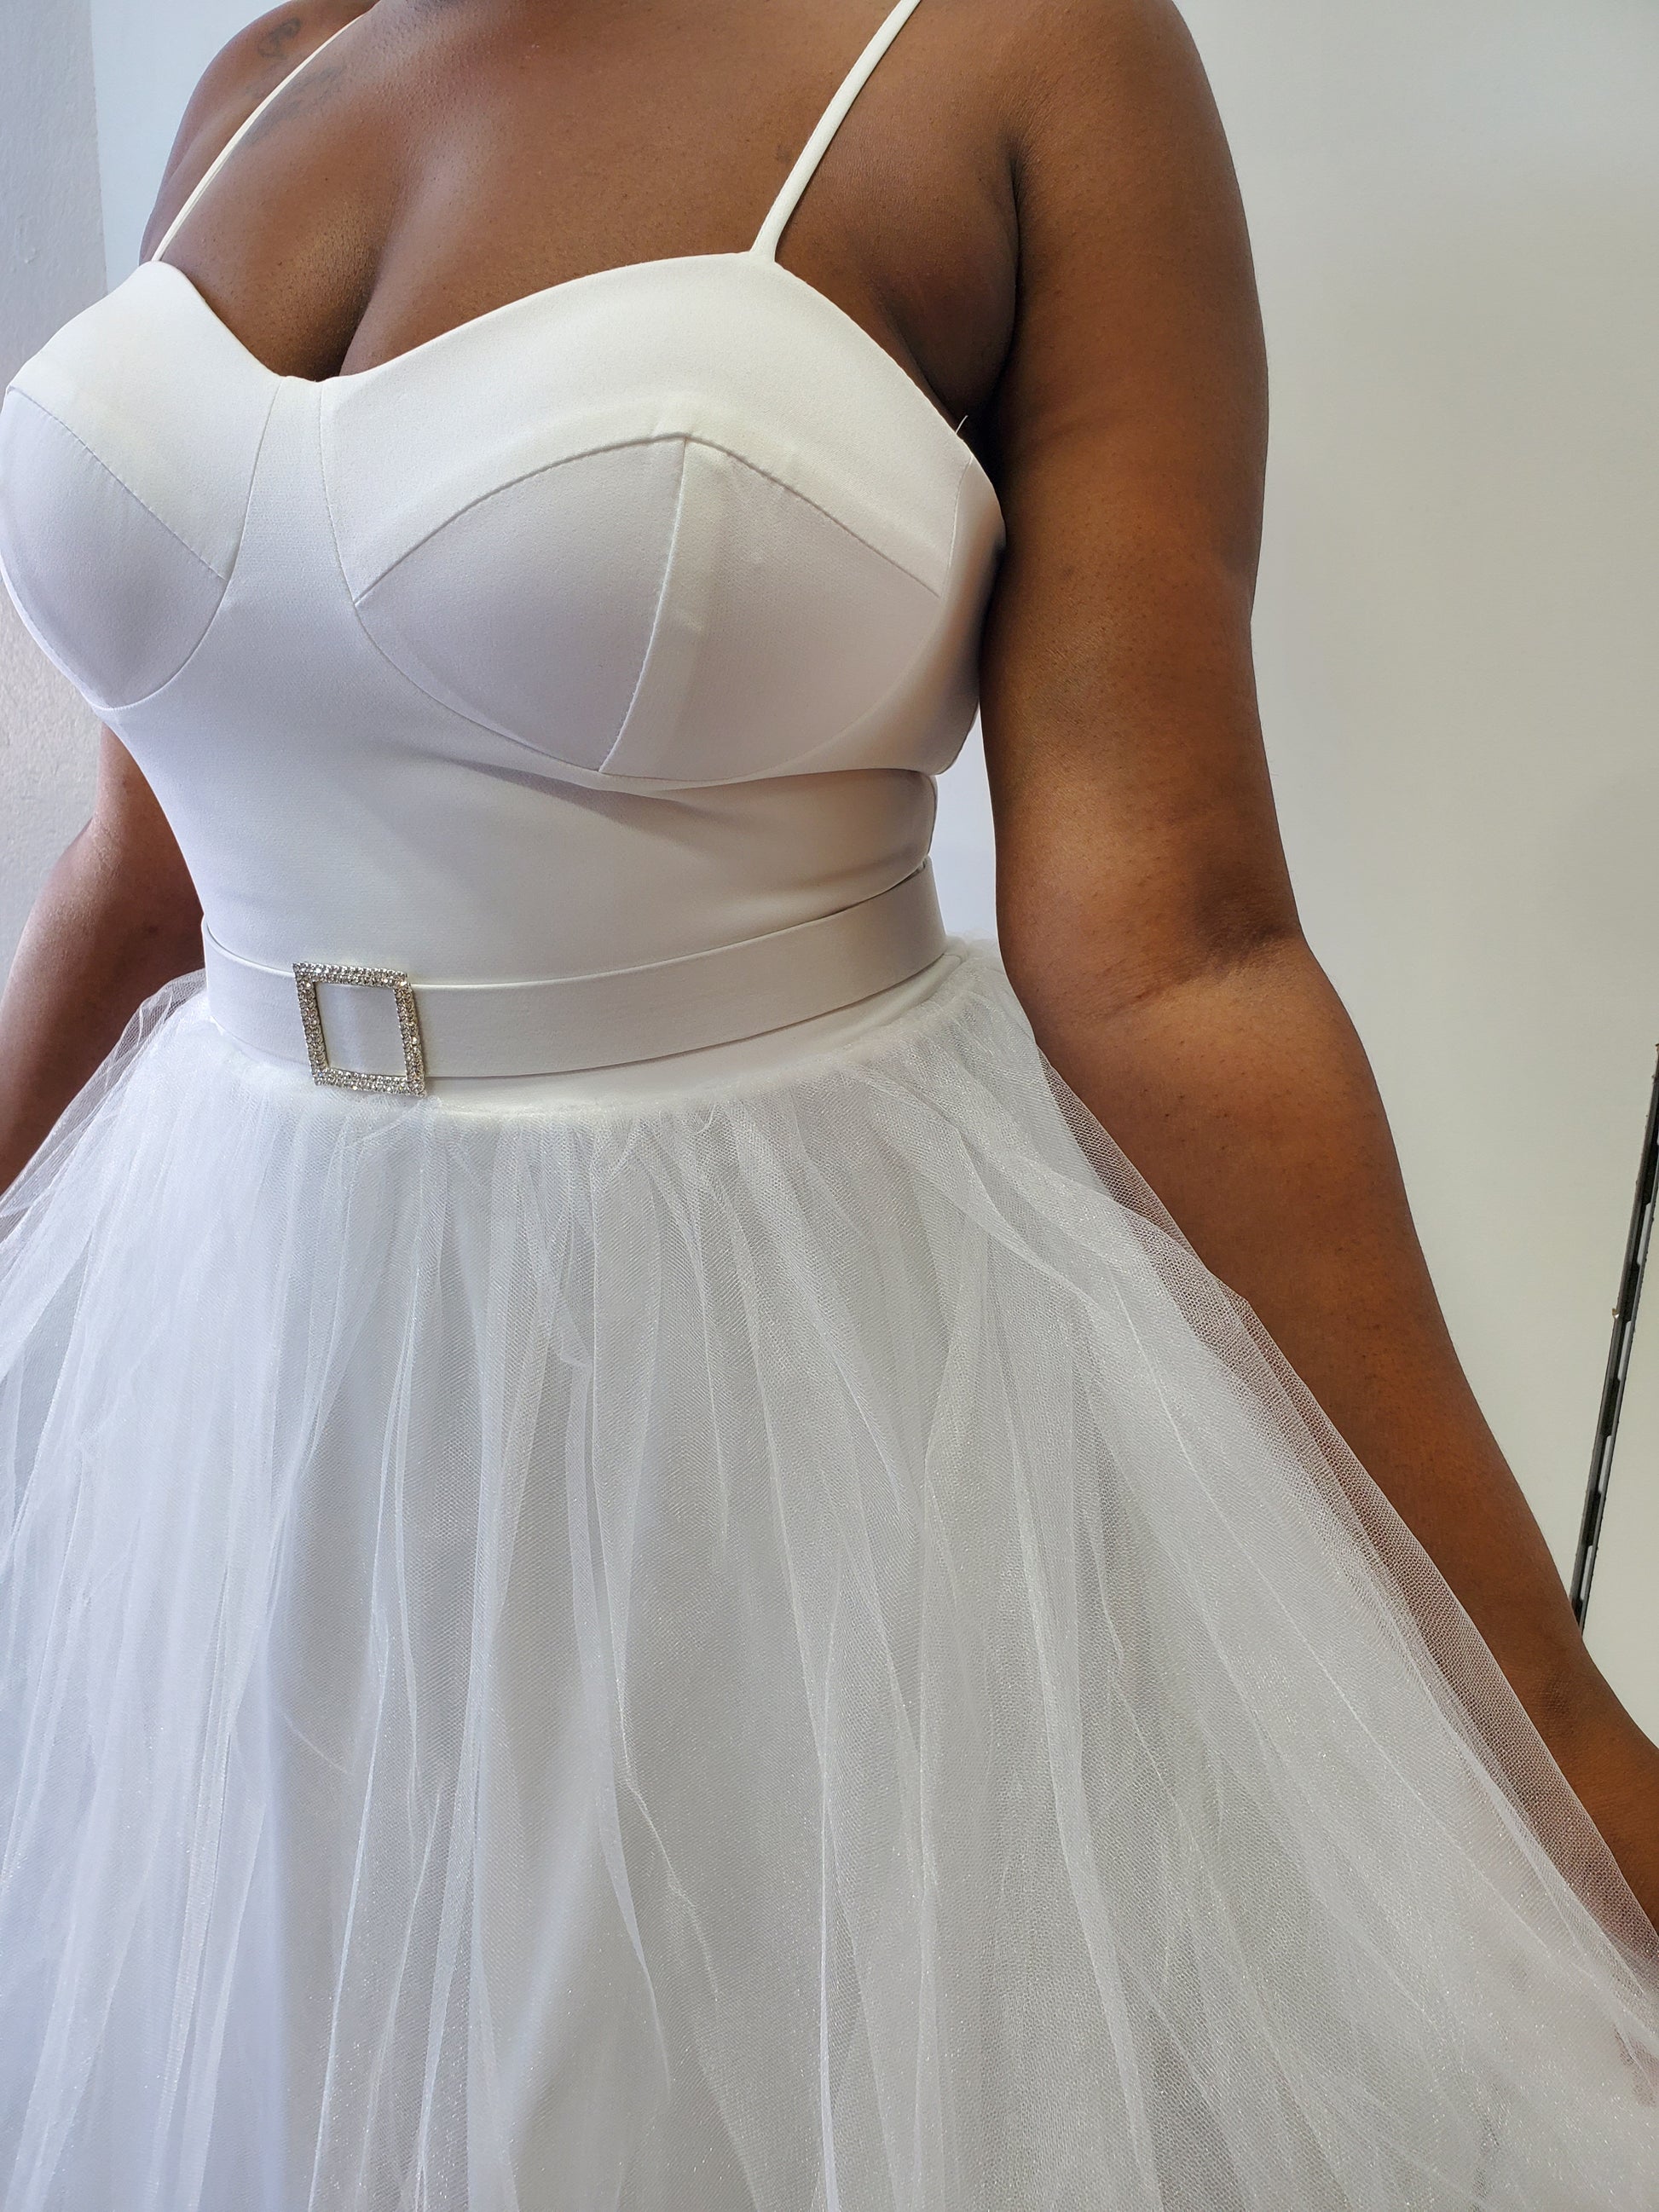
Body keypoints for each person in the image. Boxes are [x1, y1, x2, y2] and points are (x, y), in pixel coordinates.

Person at [2, 1, 1656, 2203]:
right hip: (232, 1381)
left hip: (754, 1413)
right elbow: (141, 879)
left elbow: (1170, 948)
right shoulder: (267, 70)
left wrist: (1547, 1733)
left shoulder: (1014, 58)